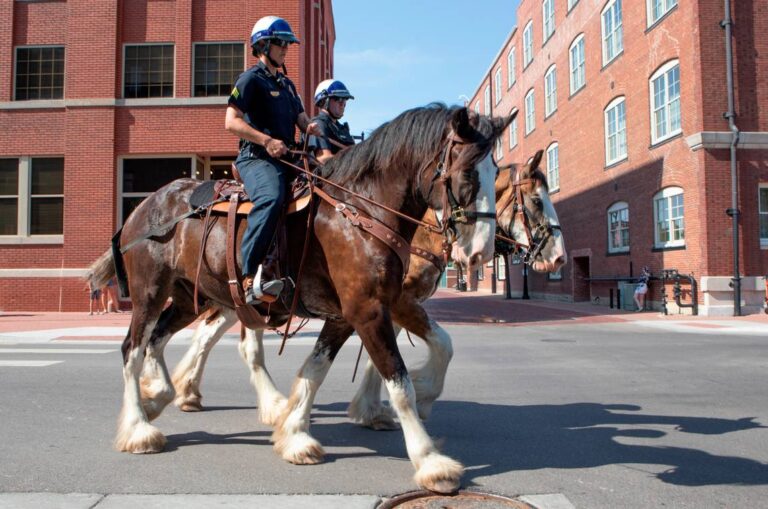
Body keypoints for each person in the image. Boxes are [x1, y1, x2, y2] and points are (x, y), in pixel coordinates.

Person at [225, 15, 321, 305]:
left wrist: (312, 127)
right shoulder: (250, 80)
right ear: (263, 45)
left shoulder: (289, 86)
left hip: (288, 157)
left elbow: (302, 120)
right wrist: (266, 140)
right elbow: (231, 122)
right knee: (271, 197)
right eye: (281, 43)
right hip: (256, 158)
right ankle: (247, 274)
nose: (286, 48)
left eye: (288, 44)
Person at [309, 79, 355, 163]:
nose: (343, 104)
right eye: (339, 99)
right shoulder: (319, 123)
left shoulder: (342, 129)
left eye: (345, 100)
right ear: (324, 100)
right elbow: (323, 158)